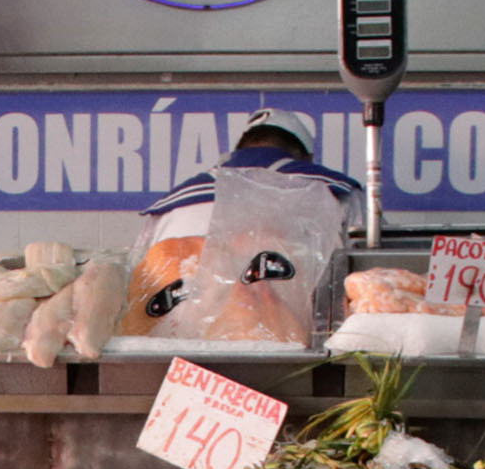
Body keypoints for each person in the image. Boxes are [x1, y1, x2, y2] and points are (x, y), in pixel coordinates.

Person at [120, 108, 363, 333]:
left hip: (173, 349)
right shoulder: (338, 192)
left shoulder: (171, 203)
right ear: (304, 156)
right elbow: (366, 278)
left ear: (239, 148)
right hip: (292, 352)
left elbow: (136, 280)